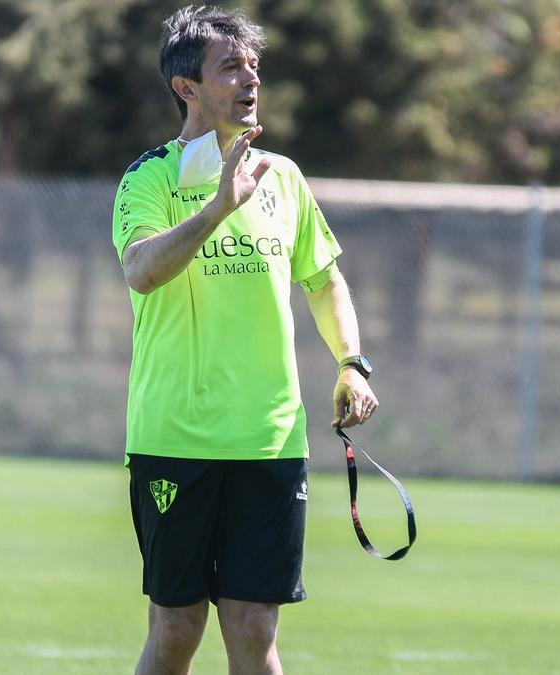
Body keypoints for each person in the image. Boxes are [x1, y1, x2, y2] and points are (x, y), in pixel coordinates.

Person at [111, 6, 378, 674]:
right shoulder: (150, 179)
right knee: (176, 629)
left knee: (255, 628)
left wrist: (352, 363)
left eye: (254, 65)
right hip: (175, 436)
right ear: (187, 88)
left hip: (270, 439)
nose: (250, 78)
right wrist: (216, 206)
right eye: (230, 66)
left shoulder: (282, 178)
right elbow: (142, 271)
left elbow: (324, 280)